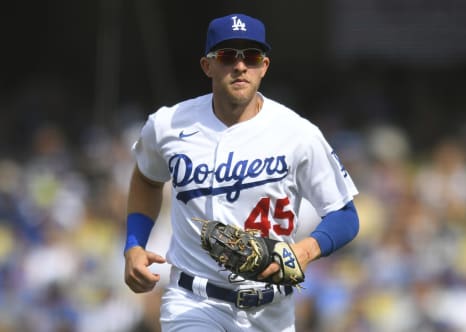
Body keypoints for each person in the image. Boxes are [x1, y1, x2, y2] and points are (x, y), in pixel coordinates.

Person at [123, 13, 360, 332]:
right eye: (227, 56)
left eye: (251, 57)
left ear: (264, 66)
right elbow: (147, 178)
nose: (239, 66)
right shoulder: (168, 125)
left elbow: (345, 214)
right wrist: (134, 244)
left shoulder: (298, 133)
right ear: (207, 65)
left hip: (271, 312)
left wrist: (304, 251)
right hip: (193, 302)